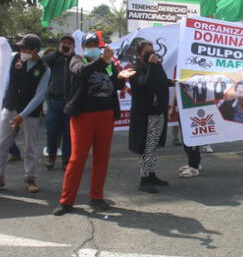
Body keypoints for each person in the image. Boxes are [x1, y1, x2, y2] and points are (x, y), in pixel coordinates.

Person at [53, 32, 133, 216]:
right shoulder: (77, 59)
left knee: (101, 158)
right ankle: (66, 201)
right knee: (77, 159)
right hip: (83, 116)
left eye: (95, 44)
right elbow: (81, 72)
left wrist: (120, 77)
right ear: (83, 47)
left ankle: (96, 197)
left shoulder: (108, 63)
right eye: (89, 45)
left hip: (105, 115)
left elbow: (115, 85)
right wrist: (103, 61)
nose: (92, 47)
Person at [0, 34, 51, 193]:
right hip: (10, 107)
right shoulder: (13, 58)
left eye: (25, 49)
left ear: (35, 51)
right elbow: (5, 82)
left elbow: (39, 96)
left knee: (30, 148)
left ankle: (30, 179)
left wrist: (23, 115)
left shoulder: (44, 69)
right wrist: (2, 104)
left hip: (30, 114)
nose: (21, 51)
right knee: (1, 145)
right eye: (21, 48)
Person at [128, 40, 175, 194]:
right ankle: (144, 179)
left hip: (158, 112)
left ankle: (152, 174)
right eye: (147, 52)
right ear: (139, 55)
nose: (151, 54)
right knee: (147, 148)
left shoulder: (155, 67)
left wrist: (174, 82)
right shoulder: (136, 70)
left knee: (153, 146)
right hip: (145, 116)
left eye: (152, 51)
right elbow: (146, 84)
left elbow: (161, 80)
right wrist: (153, 65)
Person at [42, 35, 75, 170]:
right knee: (52, 130)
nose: (66, 45)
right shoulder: (55, 58)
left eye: (69, 43)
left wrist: (70, 54)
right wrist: (59, 52)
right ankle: (51, 155)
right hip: (54, 101)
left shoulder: (76, 59)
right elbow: (43, 62)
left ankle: (66, 159)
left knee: (68, 133)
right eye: (64, 42)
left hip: (70, 102)